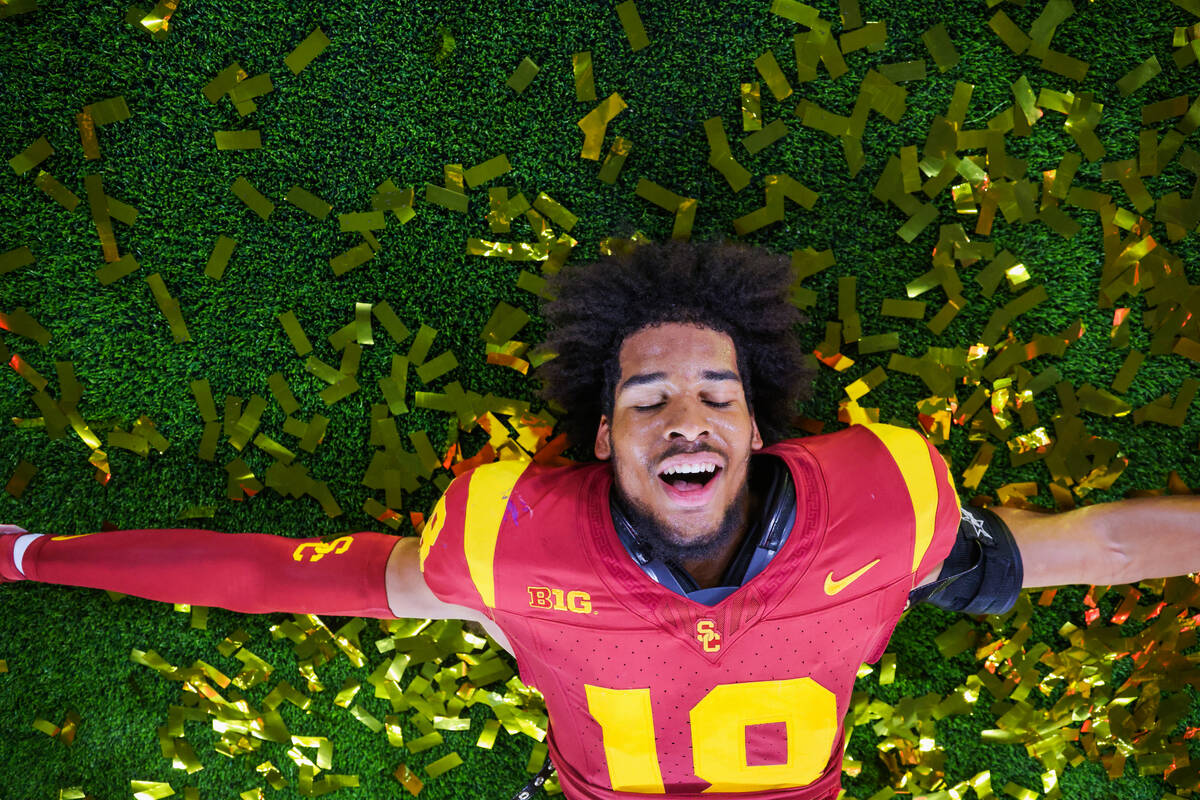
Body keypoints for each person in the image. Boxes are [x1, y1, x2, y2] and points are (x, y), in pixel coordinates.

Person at [2, 239, 1198, 800]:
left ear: (759, 433)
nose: (688, 415)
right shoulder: (510, 547)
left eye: (718, 393)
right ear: (601, 440)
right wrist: (32, 552)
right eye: (648, 396)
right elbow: (285, 574)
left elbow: (1089, 543)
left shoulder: (886, 518)